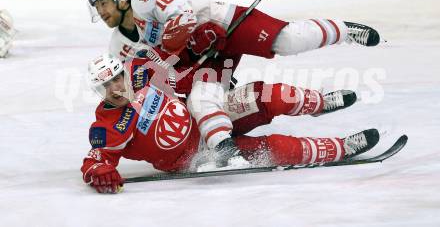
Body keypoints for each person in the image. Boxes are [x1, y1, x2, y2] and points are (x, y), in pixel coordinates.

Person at [86, 0, 381, 169]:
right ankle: (227, 150)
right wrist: (185, 69)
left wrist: (190, 42)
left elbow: (183, 19)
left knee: (288, 40)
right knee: (201, 101)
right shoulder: (118, 48)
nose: (101, 12)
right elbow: (151, 82)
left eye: (104, 3)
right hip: (205, 61)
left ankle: (345, 31)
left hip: (221, 24)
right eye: (97, 8)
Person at [80, 53, 379, 194]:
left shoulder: (143, 72)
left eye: (117, 78)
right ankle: (340, 148)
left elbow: (182, 76)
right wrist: (101, 174)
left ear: (123, 72)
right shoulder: (106, 125)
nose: (116, 88)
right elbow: (94, 162)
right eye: (106, 86)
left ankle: (320, 102)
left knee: (264, 94)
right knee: (273, 147)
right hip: (197, 157)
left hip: (209, 116)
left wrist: (207, 72)